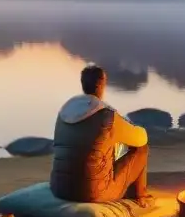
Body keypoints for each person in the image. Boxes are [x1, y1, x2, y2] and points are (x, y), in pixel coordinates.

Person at [50, 65, 153, 205]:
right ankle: (139, 195)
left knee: (106, 150)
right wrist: (129, 127)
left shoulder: (65, 111)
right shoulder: (106, 115)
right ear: (101, 83)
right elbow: (141, 138)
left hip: (59, 189)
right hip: (92, 193)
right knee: (141, 149)